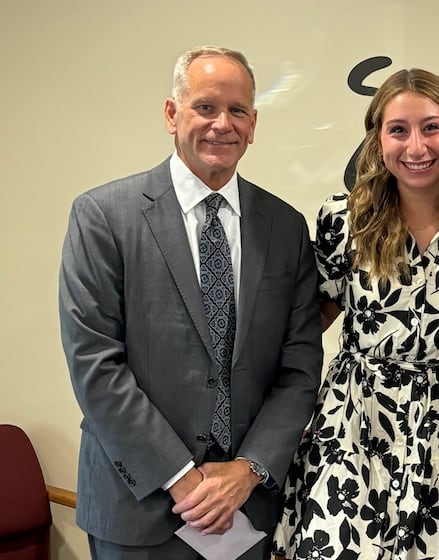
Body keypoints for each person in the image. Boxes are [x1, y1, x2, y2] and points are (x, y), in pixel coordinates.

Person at [58, 46, 324, 559]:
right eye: (205, 106)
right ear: (171, 113)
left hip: (246, 510)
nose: (222, 124)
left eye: (238, 110)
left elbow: (299, 368)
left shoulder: (285, 227)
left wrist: (248, 472)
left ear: (253, 123)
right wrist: (181, 478)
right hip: (136, 509)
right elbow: (95, 365)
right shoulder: (102, 217)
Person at [272, 68, 439, 560]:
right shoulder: (343, 219)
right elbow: (306, 327)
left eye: (431, 127)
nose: (416, 146)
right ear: (378, 140)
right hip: (350, 429)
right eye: (399, 130)